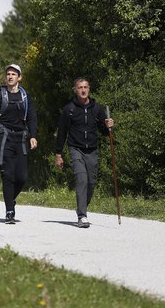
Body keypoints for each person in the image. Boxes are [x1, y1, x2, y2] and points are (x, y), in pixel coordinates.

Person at [0, 64, 38, 224]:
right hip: (4, 138)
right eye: (8, 74)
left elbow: (32, 117)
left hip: (21, 139)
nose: (10, 76)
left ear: (19, 77)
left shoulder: (25, 97)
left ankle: (10, 199)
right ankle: (9, 211)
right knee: (7, 175)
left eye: (14, 74)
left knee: (22, 177)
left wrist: (33, 136)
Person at [55, 77, 114, 228]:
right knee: (81, 179)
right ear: (75, 90)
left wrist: (108, 126)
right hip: (76, 149)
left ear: (89, 89)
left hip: (92, 150)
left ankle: (82, 207)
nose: (83, 90)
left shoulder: (97, 108)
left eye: (85, 87)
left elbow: (104, 131)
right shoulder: (69, 109)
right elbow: (62, 132)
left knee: (91, 183)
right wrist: (58, 154)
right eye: (80, 87)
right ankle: (82, 216)